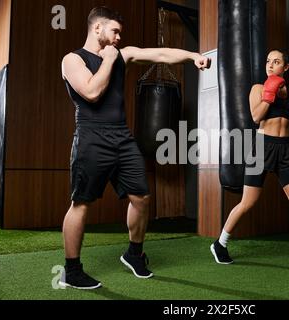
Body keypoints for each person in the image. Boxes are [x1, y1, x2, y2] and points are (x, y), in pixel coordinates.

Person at [60, 6, 210, 290]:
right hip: (91, 137)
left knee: (141, 198)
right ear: (97, 29)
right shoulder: (72, 60)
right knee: (81, 203)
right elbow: (92, 92)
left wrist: (192, 57)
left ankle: (133, 253)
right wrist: (108, 59)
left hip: (122, 138)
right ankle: (72, 269)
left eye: (120, 34)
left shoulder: (122, 54)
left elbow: (160, 54)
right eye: (114, 31)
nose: (118, 38)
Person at [210, 49, 289, 273]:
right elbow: (256, 117)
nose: (270, 65)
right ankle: (220, 243)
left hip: (285, 150)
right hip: (261, 148)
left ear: (286, 67)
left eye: (276, 62)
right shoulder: (257, 88)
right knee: (248, 202)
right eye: (268, 61)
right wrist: (269, 93)